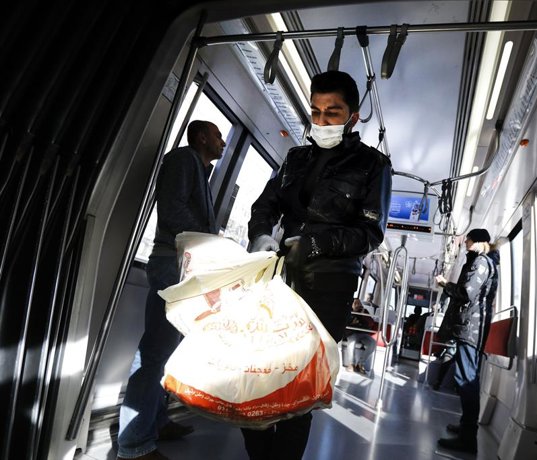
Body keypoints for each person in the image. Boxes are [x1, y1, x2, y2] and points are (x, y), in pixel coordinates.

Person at [245, 70, 392, 459]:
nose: (322, 121)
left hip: (329, 284)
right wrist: (261, 235)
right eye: (315, 111)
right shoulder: (296, 157)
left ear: (354, 116)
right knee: (256, 371)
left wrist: (314, 244)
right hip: (281, 276)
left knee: (299, 386)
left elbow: (369, 233)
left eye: (333, 112)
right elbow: (265, 205)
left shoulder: (372, 165)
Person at [117, 120, 226, 460]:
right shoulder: (182, 160)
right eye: (220, 136)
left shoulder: (200, 170)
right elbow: (173, 211)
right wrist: (213, 243)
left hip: (185, 267)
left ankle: (158, 421)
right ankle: (134, 444)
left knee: (167, 353)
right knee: (154, 354)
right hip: (171, 265)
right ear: (203, 137)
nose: (223, 143)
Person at [434, 228, 499, 454]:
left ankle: (467, 438)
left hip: (472, 328)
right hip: (471, 327)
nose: (466, 245)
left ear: (478, 242)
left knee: (466, 380)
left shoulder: (481, 262)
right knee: (465, 377)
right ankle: (465, 428)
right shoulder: (482, 261)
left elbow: (467, 293)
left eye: (468, 241)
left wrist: (445, 284)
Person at [343, 298, 378, 374]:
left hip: (363, 333)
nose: (358, 305)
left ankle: (360, 363)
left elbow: (371, 323)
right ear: (351, 305)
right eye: (355, 303)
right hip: (352, 333)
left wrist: (363, 315)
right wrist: (354, 312)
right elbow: (346, 323)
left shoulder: (364, 311)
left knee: (372, 343)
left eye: (359, 303)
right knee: (352, 342)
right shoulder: (348, 311)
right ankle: (351, 364)